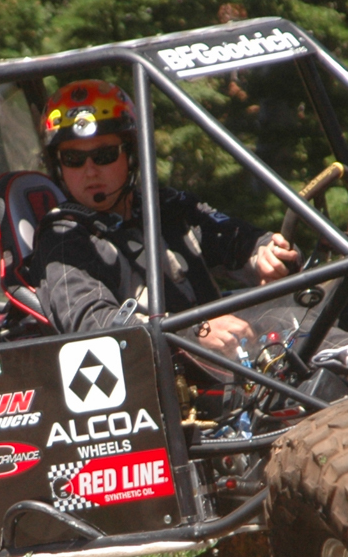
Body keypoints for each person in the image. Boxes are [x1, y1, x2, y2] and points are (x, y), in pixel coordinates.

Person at [26, 79, 301, 356]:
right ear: (59, 166)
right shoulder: (64, 240)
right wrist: (195, 332)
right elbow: (93, 325)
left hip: (234, 361)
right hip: (167, 382)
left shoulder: (166, 207)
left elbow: (237, 239)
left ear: (131, 155)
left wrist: (266, 255)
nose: (89, 171)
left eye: (105, 155)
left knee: (321, 331)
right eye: (73, 159)